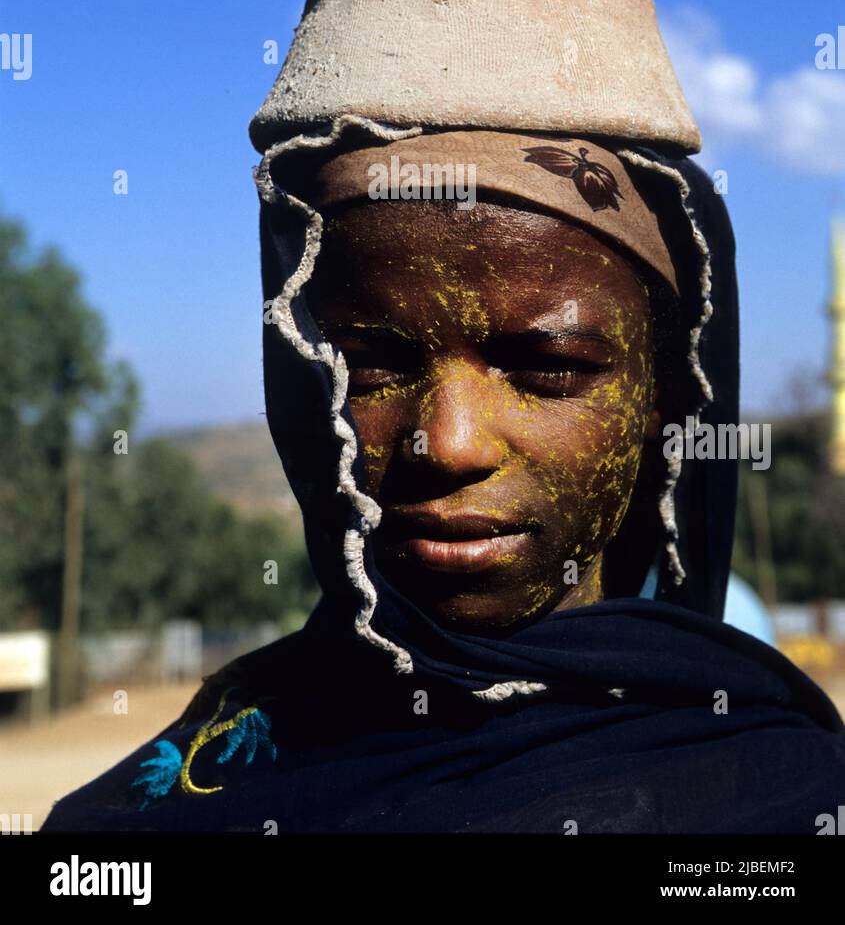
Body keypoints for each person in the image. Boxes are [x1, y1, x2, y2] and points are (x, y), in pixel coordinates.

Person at [41, 124, 845, 833]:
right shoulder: (153, 813)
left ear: (664, 398)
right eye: (371, 364)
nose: (449, 444)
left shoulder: (788, 800)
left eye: (550, 367)